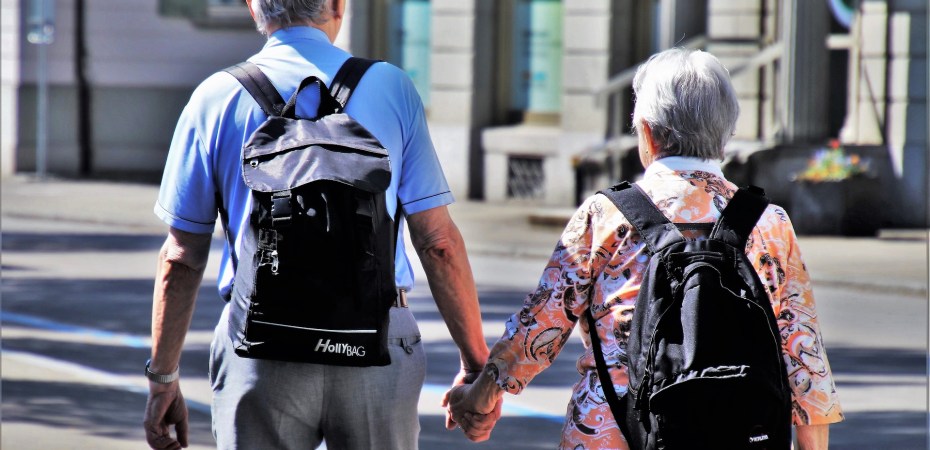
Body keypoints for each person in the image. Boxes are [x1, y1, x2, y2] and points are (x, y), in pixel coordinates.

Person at [445, 48, 844, 449]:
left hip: (611, 431)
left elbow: (541, 326)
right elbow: (804, 357)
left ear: (649, 133)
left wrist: (481, 396)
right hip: (737, 433)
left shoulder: (605, 216)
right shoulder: (769, 222)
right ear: (725, 133)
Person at [143, 1, 498, 448]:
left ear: (254, 6)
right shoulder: (391, 87)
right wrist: (475, 362)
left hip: (260, 346)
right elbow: (438, 242)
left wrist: (163, 377)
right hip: (378, 344)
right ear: (336, 4)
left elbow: (181, 257)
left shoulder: (215, 96)